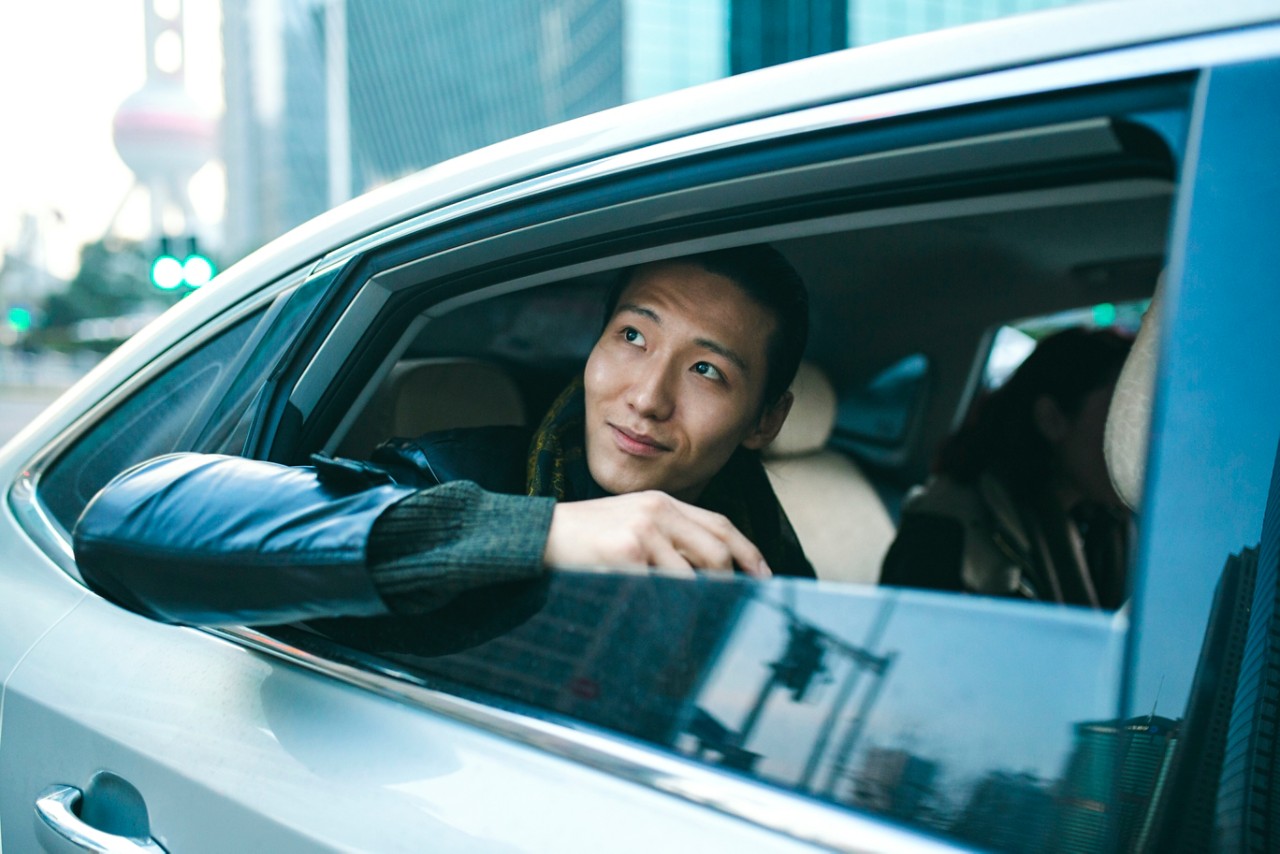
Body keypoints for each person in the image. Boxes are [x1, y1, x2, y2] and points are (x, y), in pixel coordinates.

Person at [73, 245, 815, 627]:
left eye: (708, 372)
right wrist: (542, 533)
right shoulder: (452, 475)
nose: (648, 397)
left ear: (765, 420)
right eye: (632, 336)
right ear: (593, 349)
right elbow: (123, 522)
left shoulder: (761, 551)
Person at [879, 327, 1132, 608]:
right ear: (1051, 420)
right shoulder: (944, 532)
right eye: (1125, 415)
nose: (1148, 438)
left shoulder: (1103, 523)